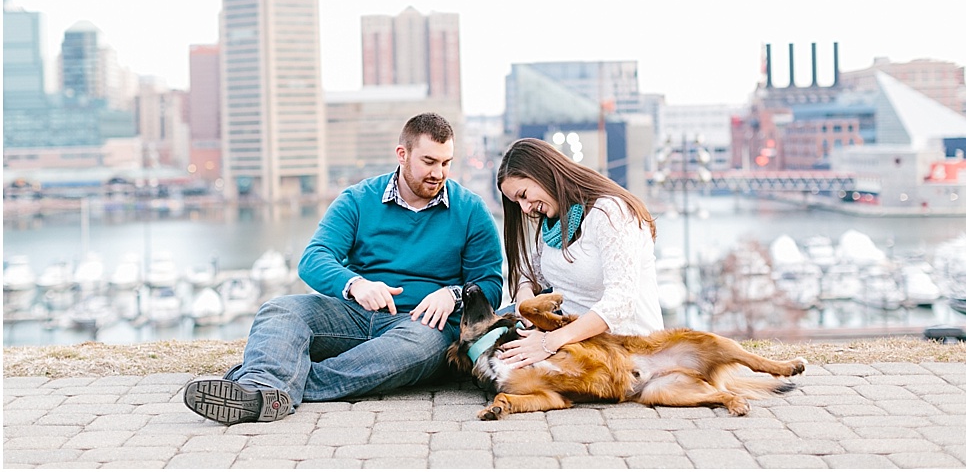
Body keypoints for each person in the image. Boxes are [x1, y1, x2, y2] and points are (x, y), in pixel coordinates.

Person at [183, 113, 504, 424]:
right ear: (402, 155)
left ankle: (266, 388)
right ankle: (267, 386)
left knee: (415, 349)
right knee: (280, 310)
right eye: (429, 162)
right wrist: (355, 285)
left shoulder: (471, 209)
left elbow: (489, 283)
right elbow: (314, 258)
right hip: (354, 313)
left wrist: (453, 296)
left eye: (446, 163)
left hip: (423, 325)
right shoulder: (358, 199)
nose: (439, 173)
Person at [494, 137, 661, 369]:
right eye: (517, 202)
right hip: (572, 339)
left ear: (543, 172)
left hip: (623, 348)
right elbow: (531, 274)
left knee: (505, 370)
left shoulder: (610, 213)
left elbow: (620, 302)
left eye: (523, 195)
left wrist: (548, 343)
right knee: (483, 345)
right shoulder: (554, 222)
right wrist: (525, 301)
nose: (524, 208)